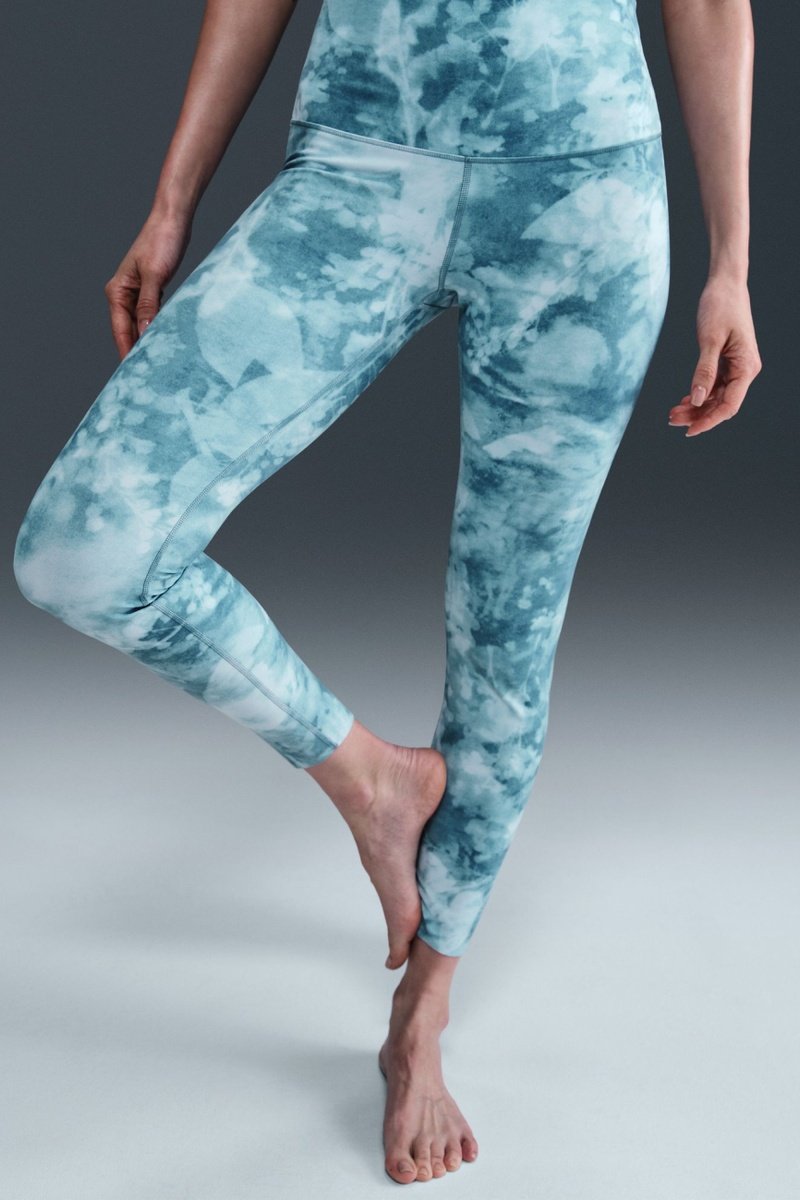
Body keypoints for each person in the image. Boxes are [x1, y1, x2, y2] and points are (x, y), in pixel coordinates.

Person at [13, 0, 761, 1185]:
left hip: (582, 192)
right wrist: (171, 202)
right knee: (83, 547)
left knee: (508, 629)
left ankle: (424, 1009)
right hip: (357, 166)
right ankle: (370, 777)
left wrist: (729, 264)